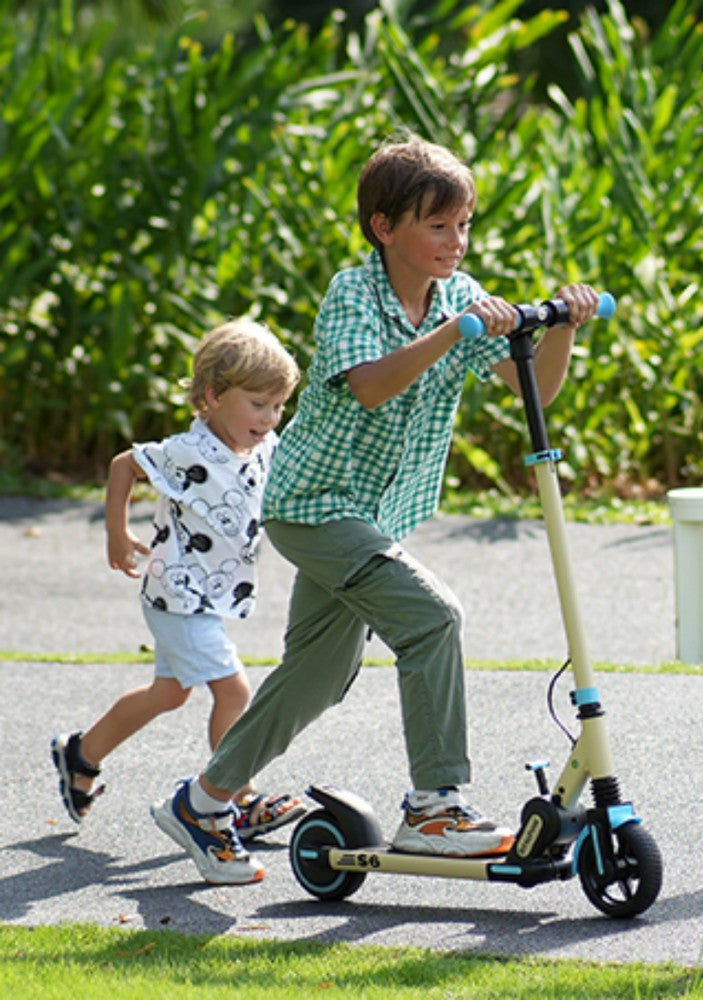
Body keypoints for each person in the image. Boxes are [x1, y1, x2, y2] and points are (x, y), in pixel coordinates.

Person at [151, 135, 600, 885]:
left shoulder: (457, 297)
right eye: (437, 227)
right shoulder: (352, 293)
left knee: (319, 675)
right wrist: (450, 334)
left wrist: (558, 330)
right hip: (313, 505)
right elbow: (368, 384)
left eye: (463, 226)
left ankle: (203, 801)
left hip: (374, 514)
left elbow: (535, 394)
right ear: (383, 228)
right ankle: (434, 806)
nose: (455, 243)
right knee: (432, 617)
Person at [52, 317, 306, 852]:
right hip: (177, 596)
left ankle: (82, 753)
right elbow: (125, 465)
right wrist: (117, 535)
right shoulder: (188, 451)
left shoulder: (260, 445)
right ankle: (237, 795)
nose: (270, 417)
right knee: (234, 690)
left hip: (208, 598)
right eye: (258, 404)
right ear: (212, 397)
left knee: (169, 693)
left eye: (278, 405)